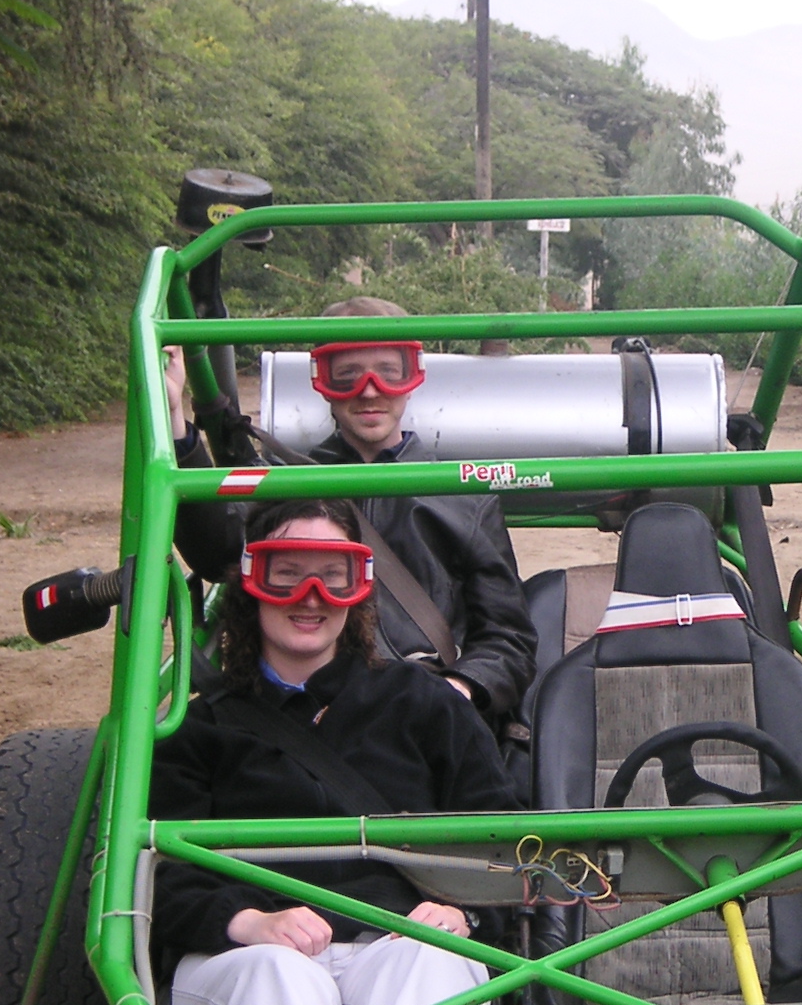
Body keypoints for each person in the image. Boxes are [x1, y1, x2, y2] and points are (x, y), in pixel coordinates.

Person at [149, 496, 515, 1005]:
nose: (309, 601)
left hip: (387, 946)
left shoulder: (425, 705)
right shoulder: (196, 726)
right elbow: (154, 875)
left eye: (333, 577)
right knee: (278, 975)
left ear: (361, 590)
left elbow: (502, 844)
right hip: (239, 962)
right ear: (251, 584)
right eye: (287, 577)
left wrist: (462, 908)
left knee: (437, 959)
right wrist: (250, 921)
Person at [164, 297, 538, 721]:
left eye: (389, 372)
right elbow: (218, 550)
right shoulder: (287, 484)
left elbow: (508, 636)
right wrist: (176, 417)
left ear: (413, 376)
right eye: (346, 376)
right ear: (320, 382)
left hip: (420, 708)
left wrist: (459, 689)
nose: (370, 390)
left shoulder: (462, 495)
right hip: (306, 704)